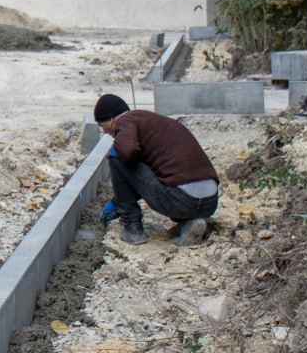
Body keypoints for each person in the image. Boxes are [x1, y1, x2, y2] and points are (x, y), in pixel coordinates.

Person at [94, 94, 219, 247]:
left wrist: (123, 204)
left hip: (181, 201)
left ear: (111, 119)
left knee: (116, 158)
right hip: (209, 203)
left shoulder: (125, 121)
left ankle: (132, 229)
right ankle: (191, 223)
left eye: (102, 126)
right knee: (166, 177)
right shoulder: (154, 123)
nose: (106, 132)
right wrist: (118, 199)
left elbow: (126, 152)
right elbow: (145, 175)